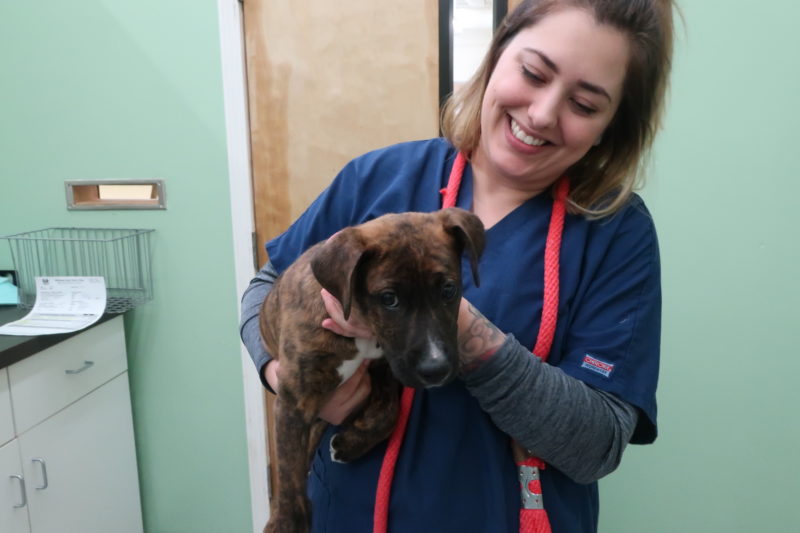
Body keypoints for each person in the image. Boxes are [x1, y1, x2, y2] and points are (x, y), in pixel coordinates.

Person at [240, 0, 674, 531]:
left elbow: (596, 446)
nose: (540, 113)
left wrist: (465, 330)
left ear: (611, 126)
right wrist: (285, 373)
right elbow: (267, 285)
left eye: (584, 105)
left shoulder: (615, 232)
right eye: (533, 73)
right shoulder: (379, 177)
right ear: (495, 58)